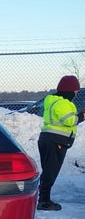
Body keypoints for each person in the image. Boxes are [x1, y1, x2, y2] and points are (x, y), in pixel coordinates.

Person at [37, 75, 85, 211]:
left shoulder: (53, 101)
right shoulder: (63, 103)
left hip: (49, 139)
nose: (76, 93)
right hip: (55, 141)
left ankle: (42, 198)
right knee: (50, 171)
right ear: (69, 90)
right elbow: (70, 121)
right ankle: (44, 201)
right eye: (75, 91)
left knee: (48, 170)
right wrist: (82, 116)